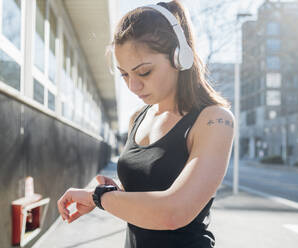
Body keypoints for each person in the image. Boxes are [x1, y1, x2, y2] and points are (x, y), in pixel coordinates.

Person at [57, 1, 235, 247]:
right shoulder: (138, 118)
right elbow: (153, 189)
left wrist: (99, 197)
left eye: (143, 72)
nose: (133, 86)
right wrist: (117, 193)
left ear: (180, 57)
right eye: (124, 74)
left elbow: (173, 212)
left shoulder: (214, 120)